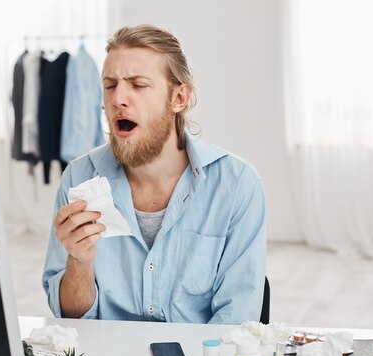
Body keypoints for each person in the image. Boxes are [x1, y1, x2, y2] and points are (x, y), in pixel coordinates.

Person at [42, 24, 265, 324]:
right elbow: (69, 317)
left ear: (179, 98)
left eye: (138, 84)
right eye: (110, 85)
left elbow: (237, 319)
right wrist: (79, 261)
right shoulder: (79, 178)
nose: (118, 98)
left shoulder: (237, 185)